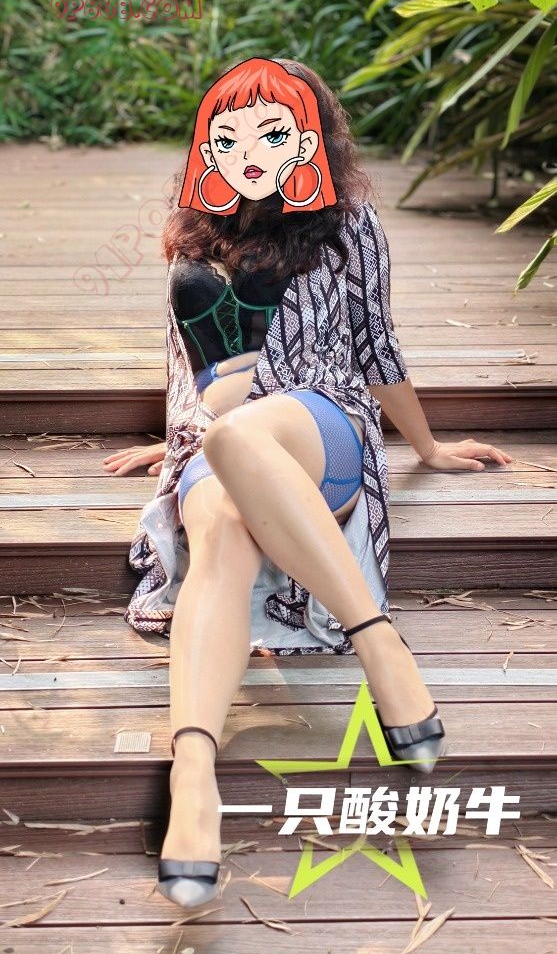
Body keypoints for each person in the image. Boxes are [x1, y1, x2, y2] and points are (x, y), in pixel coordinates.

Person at [103, 57, 512, 910]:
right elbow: (187, 358)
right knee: (219, 518)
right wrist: (171, 441)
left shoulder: (347, 223)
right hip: (215, 439)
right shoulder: (195, 228)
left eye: (272, 130)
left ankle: (375, 643)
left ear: (308, 138)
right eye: (228, 135)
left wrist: (426, 445)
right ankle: (193, 779)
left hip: (318, 420)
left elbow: (375, 343)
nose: (247, 150)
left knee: (242, 434)